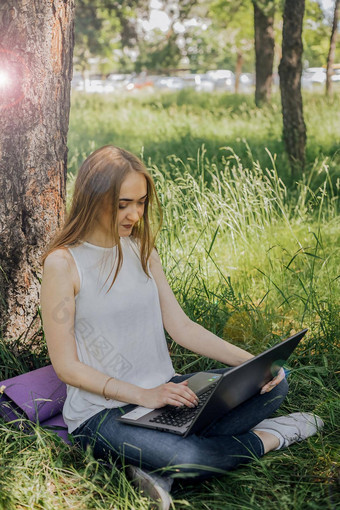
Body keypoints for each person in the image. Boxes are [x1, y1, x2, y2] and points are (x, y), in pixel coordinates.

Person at [40, 145, 323, 509]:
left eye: (141, 202)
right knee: (191, 458)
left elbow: (182, 327)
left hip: (168, 394)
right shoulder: (63, 264)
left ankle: (154, 463)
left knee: (276, 384)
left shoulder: (141, 247)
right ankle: (271, 436)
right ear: (94, 198)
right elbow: (66, 366)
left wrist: (257, 362)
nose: (134, 214)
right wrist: (144, 396)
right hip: (103, 413)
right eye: (123, 203)